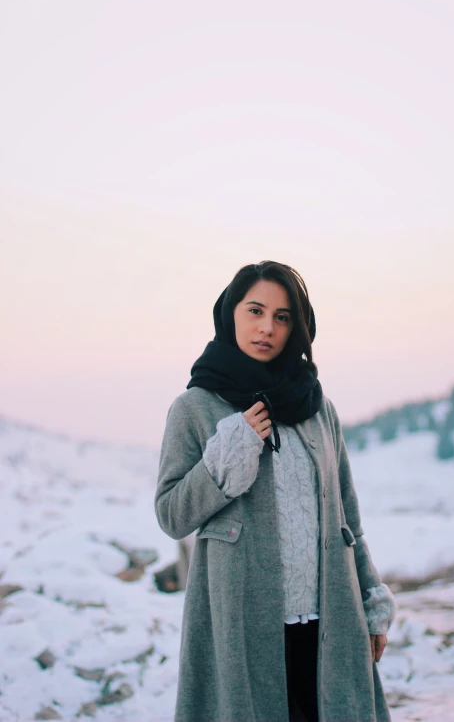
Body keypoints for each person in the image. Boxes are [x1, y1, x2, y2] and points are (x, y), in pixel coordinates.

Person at [155, 260, 396, 722]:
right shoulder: (194, 407)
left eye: (282, 317)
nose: (267, 327)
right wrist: (228, 457)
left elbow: (348, 518)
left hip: (331, 621)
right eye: (255, 310)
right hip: (242, 625)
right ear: (231, 315)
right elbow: (171, 515)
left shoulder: (317, 406)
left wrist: (371, 600)